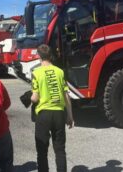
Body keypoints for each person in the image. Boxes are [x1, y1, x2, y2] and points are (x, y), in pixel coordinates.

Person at [30, 44, 74, 172]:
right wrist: (70, 116)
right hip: (59, 113)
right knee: (60, 150)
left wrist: (28, 98)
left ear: (39, 56)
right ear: (50, 56)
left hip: (43, 114)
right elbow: (66, 95)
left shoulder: (36, 72)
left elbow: (35, 98)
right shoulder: (60, 72)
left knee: (42, 151)